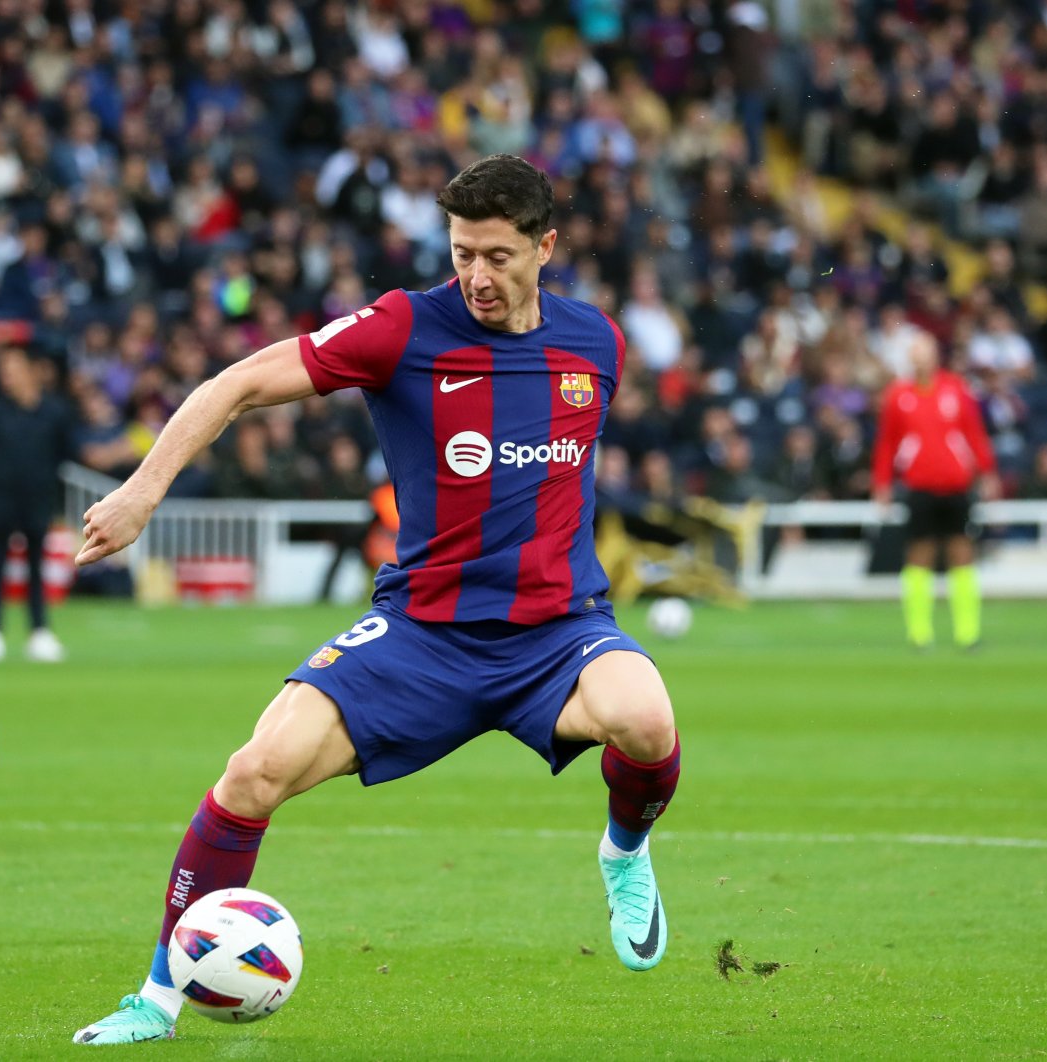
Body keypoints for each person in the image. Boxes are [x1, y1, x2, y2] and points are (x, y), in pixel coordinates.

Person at [70, 155, 682, 1044]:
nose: (476, 275)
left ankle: (624, 850)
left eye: (499, 256)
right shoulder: (403, 326)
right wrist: (140, 493)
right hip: (422, 635)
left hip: (558, 633)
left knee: (649, 722)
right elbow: (237, 383)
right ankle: (156, 1000)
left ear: (546, 248)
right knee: (252, 773)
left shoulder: (597, 345)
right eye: (463, 252)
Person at [871, 331, 1000, 650]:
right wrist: (882, 482)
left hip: (956, 485)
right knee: (919, 555)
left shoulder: (956, 389)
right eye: (915, 353)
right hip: (919, 486)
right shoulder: (898, 395)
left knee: (962, 554)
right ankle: (919, 634)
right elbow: (886, 443)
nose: (920, 358)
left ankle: (967, 633)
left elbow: (974, 433)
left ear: (935, 356)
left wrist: (987, 471)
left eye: (925, 352)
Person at [0, 347, 74, 663]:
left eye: (14, 369)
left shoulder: (54, 413)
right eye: (4, 370)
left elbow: (63, 454)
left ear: (33, 371)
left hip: (37, 501)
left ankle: (39, 632)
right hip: (0, 500)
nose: (8, 376)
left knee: (35, 567)